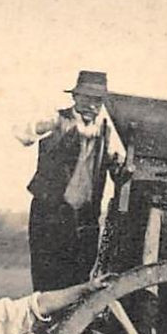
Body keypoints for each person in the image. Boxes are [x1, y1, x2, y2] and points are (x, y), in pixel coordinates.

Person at [16, 70, 130, 293]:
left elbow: (113, 165)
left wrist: (119, 165)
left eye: (98, 101)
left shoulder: (105, 132)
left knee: (79, 283)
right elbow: (23, 135)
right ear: (75, 97)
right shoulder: (56, 119)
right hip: (49, 217)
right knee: (46, 281)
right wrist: (47, 126)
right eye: (87, 98)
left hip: (85, 220)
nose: (92, 106)